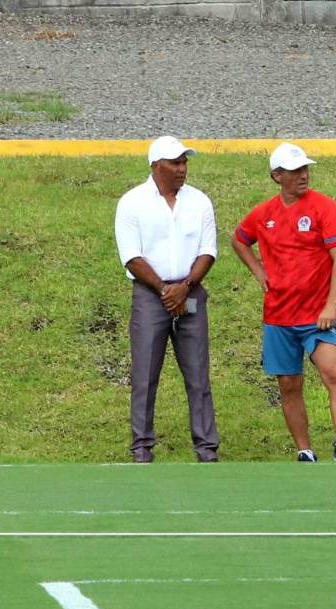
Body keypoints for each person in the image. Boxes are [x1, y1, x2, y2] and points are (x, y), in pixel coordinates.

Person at [230, 143, 336, 463]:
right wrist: (259, 271)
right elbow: (239, 239)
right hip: (279, 316)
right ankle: (305, 450)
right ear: (277, 176)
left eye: (305, 169)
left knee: (335, 370)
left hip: (316, 315)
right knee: (288, 383)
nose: (303, 175)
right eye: (295, 171)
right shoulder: (264, 213)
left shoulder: (324, 207)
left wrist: (332, 304)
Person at [114, 136, 219, 463]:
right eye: (175, 163)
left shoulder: (199, 201)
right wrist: (164, 289)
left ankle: (206, 449)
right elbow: (131, 256)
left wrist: (185, 286)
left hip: (189, 292)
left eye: (184, 162)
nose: (182, 169)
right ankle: (142, 448)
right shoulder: (132, 202)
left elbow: (208, 251)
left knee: (198, 374)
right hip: (150, 295)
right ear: (155, 166)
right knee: (145, 374)